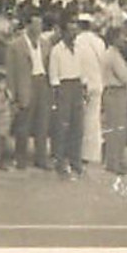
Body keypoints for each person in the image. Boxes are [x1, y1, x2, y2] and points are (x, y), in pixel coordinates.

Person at [7, 13, 51, 170]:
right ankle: (21, 158)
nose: (39, 28)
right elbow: (10, 72)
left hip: (42, 83)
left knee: (42, 124)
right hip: (25, 85)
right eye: (36, 24)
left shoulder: (46, 44)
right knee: (23, 124)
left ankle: (41, 158)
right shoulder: (15, 45)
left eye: (40, 25)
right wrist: (12, 94)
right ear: (28, 25)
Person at [48, 23, 85, 179]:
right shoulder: (57, 51)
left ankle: (75, 160)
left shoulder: (79, 48)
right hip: (63, 87)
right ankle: (60, 160)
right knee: (62, 126)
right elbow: (53, 75)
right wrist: (58, 93)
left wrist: (83, 87)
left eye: (75, 30)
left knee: (78, 126)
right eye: (70, 30)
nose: (73, 33)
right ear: (63, 32)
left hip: (77, 86)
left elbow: (82, 69)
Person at [100, 28, 127, 178]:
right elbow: (125, 77)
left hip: (114, 92)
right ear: (114, 39)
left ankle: (114, 161)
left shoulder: (113, 54)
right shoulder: (113, 55)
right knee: (117, 128)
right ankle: (114, 162)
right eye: (121, 37)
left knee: (115, 127)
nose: (124, 40)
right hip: (116, 92)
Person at [74, 13, 106, 165]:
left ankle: (78, 151)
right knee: (93, 119)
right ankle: (92, 153)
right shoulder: (99, 42)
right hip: (97, 83)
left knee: (79, 119)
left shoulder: (76, 41)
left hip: (82, 83)